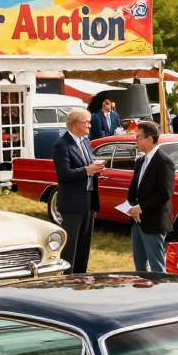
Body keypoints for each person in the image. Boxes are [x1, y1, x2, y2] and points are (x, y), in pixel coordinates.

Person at [52, 107, 104, 272]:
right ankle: (68, 279)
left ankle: (81, 276)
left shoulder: (86, 142)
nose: (89, 125)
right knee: (71, 245)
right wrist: (87, 170)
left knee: (84, 243)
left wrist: (95, 167)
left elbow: (87, 165)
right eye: (86, 122)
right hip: (72, 203)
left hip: (88, 199)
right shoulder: (62, 145)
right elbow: (64, 174)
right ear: (75, 124)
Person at [127, 121, 175, 272]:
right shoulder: (141, 161)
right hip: (137, 222)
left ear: (150, 138)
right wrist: (130, 207)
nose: (136, 140)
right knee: (139, 264)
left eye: (139, 137)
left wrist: (140, 208)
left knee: (156, 266)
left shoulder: (164, 161)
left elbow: (164, 193)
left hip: (154, 222)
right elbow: (134, 189)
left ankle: (161, 293)